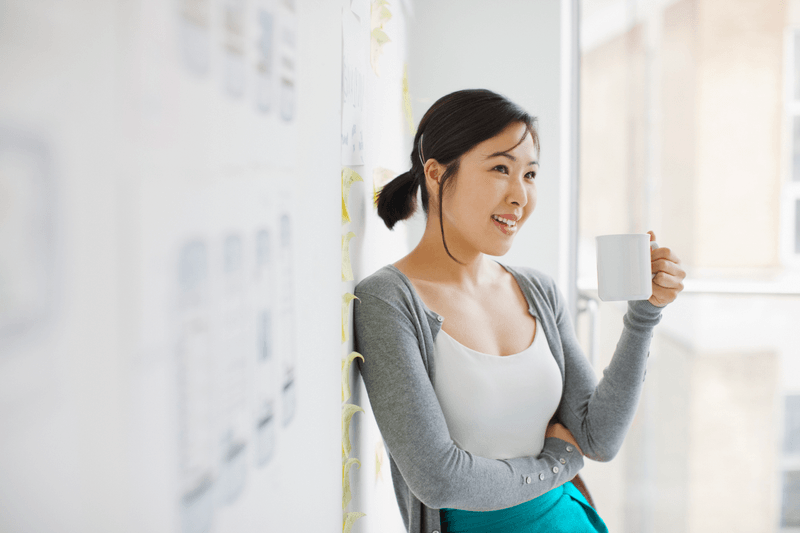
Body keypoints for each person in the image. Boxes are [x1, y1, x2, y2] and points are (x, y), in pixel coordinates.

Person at [352, 89, 685, 533]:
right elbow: (439, 480)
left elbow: (597, 437)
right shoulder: (388, 301)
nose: (520, 195)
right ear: (435, 173)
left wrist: (644, 315)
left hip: (571, 519)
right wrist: (558, 463)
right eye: (500, 169)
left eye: (529, 174)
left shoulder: (537, 290)